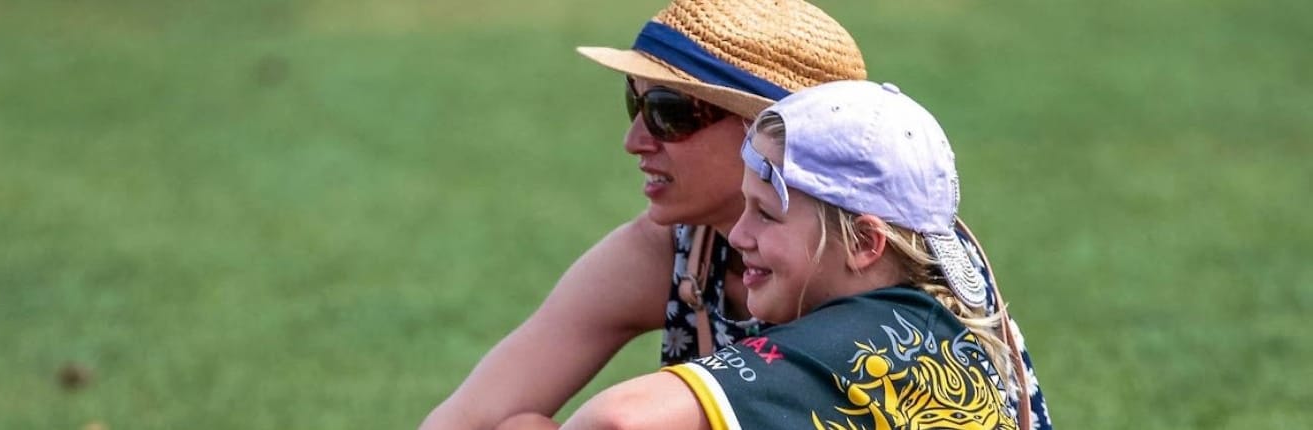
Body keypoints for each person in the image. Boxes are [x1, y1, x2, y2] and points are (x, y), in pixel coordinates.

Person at [421, 1, 1052, 428]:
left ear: (767, 130)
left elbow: (620, 422)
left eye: (670, 110)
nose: (636, 139)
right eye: (633, 103)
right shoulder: (682, 248)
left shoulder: (899, 307)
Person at [550, 80, 1023, 429]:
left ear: (863, 243)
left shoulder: (853, 343)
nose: (738, 235)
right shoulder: (929, 321)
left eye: (766, 214)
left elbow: (619, 421)